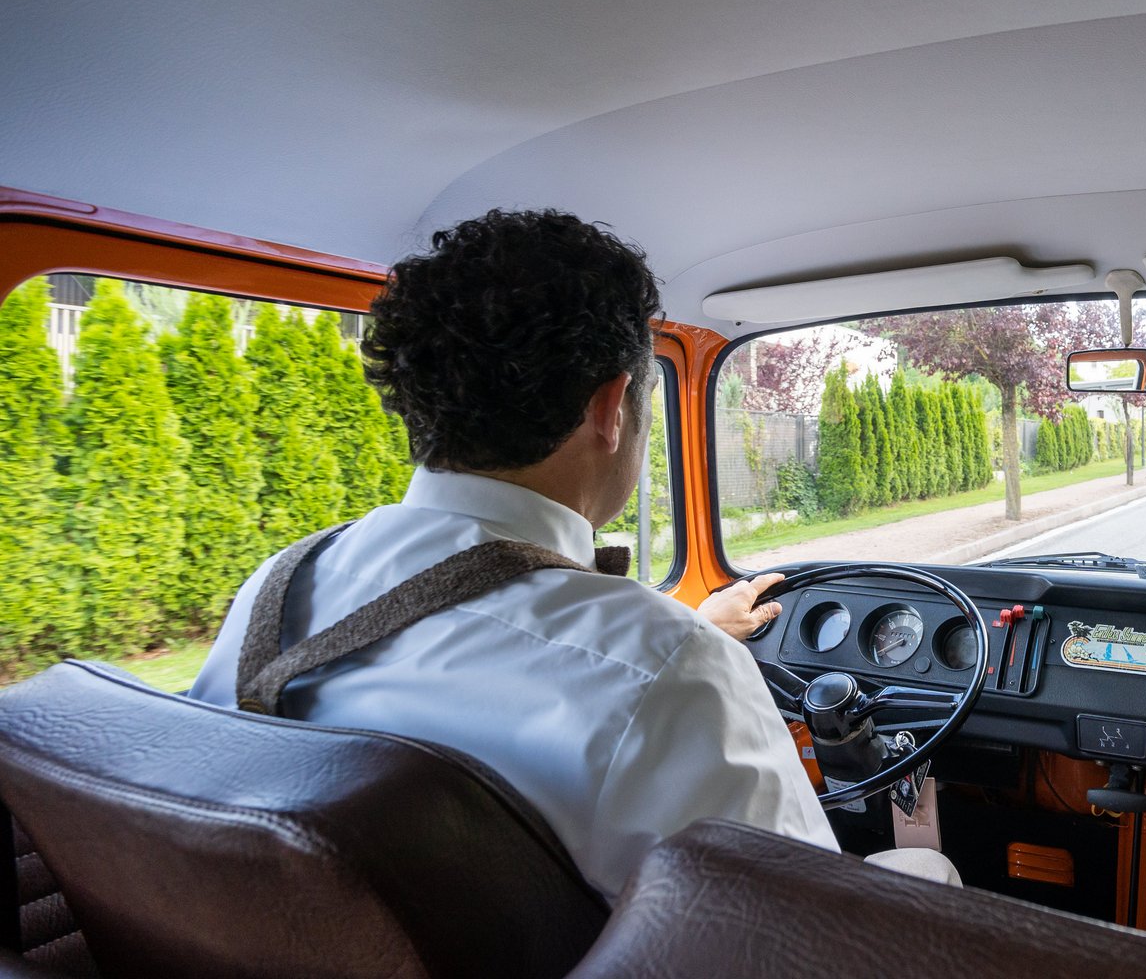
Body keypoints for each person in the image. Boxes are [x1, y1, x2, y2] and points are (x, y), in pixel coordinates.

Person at [188, 209, 836, 899]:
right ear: (611, 408)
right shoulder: (668, 669)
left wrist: (692, 634)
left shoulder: (279, 585)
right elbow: (799, 931)